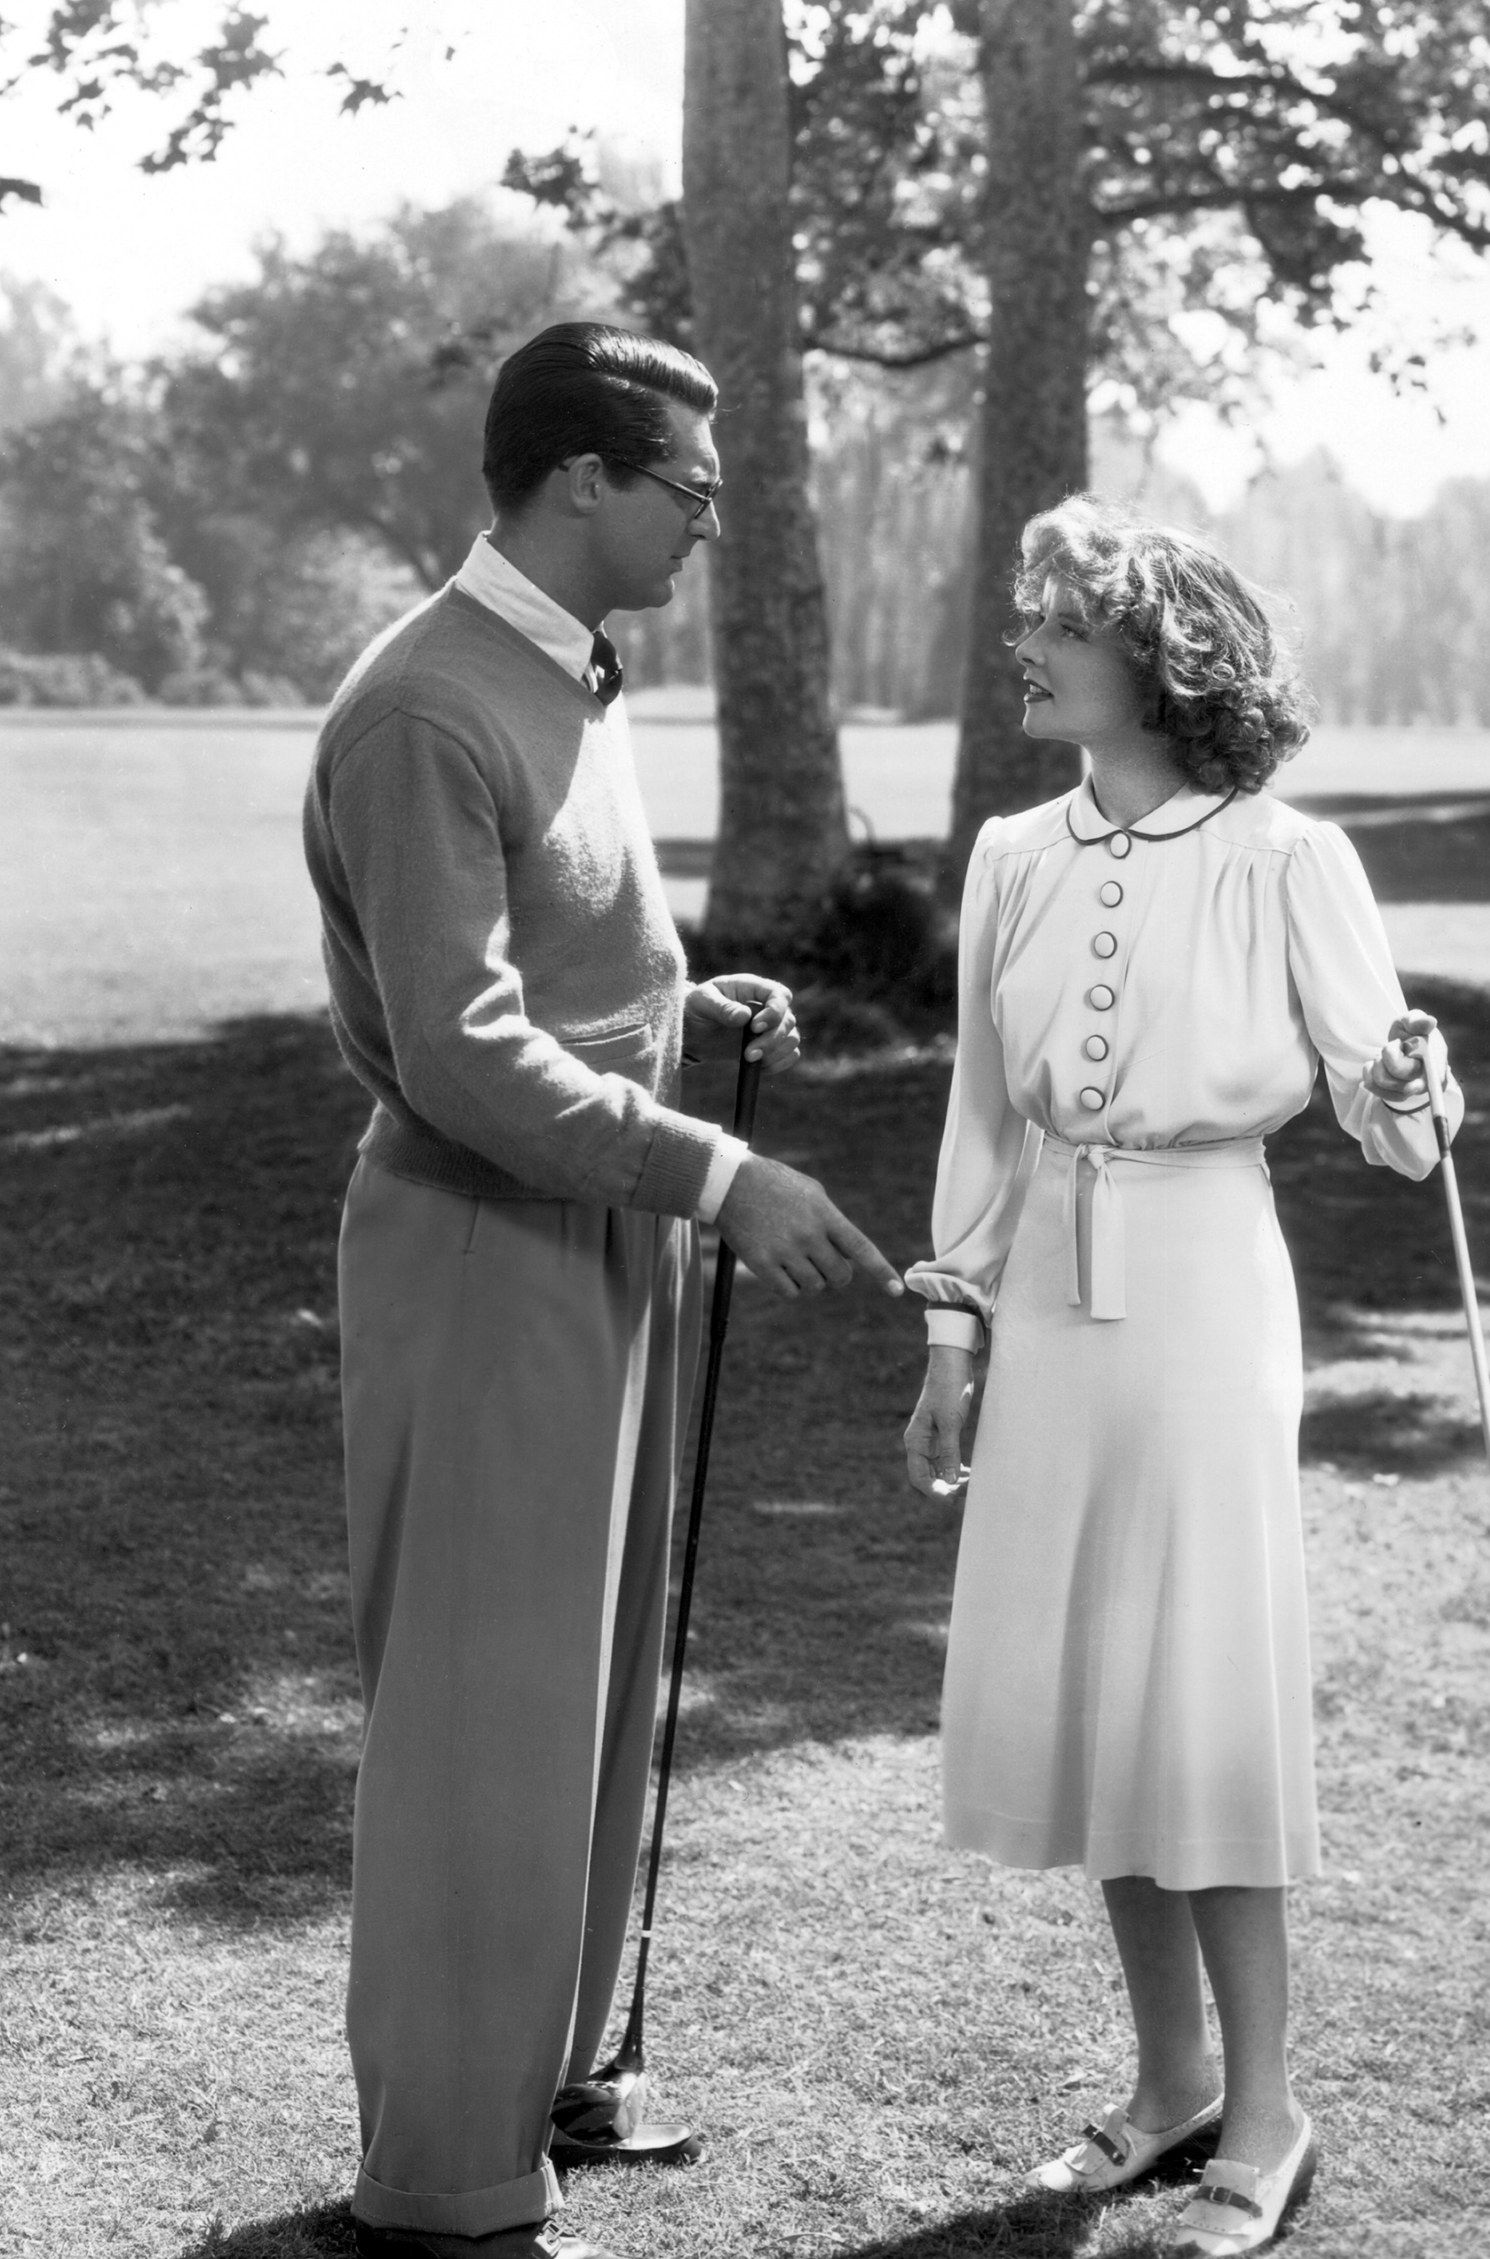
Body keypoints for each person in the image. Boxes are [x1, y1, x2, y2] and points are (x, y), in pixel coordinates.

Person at [304, 320, 900, 2259]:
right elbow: (464, 1050)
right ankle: (448, 2182)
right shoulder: (426, 705)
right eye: (691, 493)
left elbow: (548, 971)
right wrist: (721, 1170)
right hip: (481, 1242)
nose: (711, 528)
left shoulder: (571, 674)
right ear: (580, 479)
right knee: (487, 1715)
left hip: (588, 1229)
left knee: (585, 1684)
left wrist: (677, 1010)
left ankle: (539, 2083)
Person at [899, 495, 1455, 2259]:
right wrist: (951, 1329)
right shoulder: (1008, 854)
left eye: (1065, 623)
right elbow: (982, 1111)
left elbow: (1393, 1128)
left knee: (1196, 1682)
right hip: (1050, 1295)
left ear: (1161, 654)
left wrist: (1416, 1081)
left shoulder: (1291, 859)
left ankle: (1268, 2112)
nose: (1034, 650)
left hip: (1210, 1280)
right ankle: (1166, 2088)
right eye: (1036, 621)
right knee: (1093, 1691)